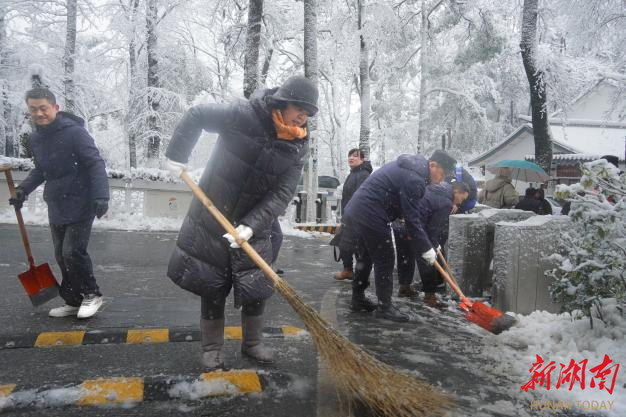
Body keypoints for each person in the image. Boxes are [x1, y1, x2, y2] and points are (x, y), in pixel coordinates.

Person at [164, 75, 318, 369]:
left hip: (255, 223)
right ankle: (211, 348)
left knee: (256, 283)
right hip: (213, 213)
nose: (303, 116)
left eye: (308, 113)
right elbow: (197, 115)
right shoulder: (244, 115)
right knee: (212, 282)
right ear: (283, 101)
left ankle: (253, 344)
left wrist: (251, 225)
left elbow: (283, 192)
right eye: (300, 108)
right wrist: (176, 155)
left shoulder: (297, 145)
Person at [8, 88, 109, 319]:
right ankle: (73, 300)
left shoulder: (75, 133)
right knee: (61, 255)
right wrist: (23, 190)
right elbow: (41, 170)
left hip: (82, 201)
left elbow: (95, 163)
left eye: (43, 107)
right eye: (33, 109)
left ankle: (92, 294)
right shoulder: (36, 138)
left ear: (55, 107)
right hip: (57, 203)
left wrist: (102, 195)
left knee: (73, 251)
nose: (39, 113)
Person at [341, 150, 457, 322]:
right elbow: (412, 219)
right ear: (432, 165)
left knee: (366, 256)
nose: (443, 179)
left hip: (357, 209)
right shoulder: (415, 179)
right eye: (443, 173)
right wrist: (426, 248)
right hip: (371, 212)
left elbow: (408, 210)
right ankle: (385, 307)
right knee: (385, 258)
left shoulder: (411, 168)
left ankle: (357, 299)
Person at [396, 182, 470, 307]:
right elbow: (432, 229)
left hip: (401, 222)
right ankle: (430, 297)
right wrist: (433, 245)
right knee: (427, 259)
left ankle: (405, 287)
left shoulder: (435, 188)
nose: (460, 203)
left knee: (405, 256)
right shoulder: (445, 202)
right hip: (415, 227)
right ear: (457, 191)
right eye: (462, 198)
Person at [334, 148, 372, 281]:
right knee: (346, 244)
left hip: (357, 218)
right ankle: (349, 270)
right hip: (350, 216)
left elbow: (359, 199)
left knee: (355, 246)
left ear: (362, 159)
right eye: (350, 155)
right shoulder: (354, 173)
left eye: (355, 156)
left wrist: (348, 218)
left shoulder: (363, 174)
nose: (351, 158)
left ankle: (357, 274)